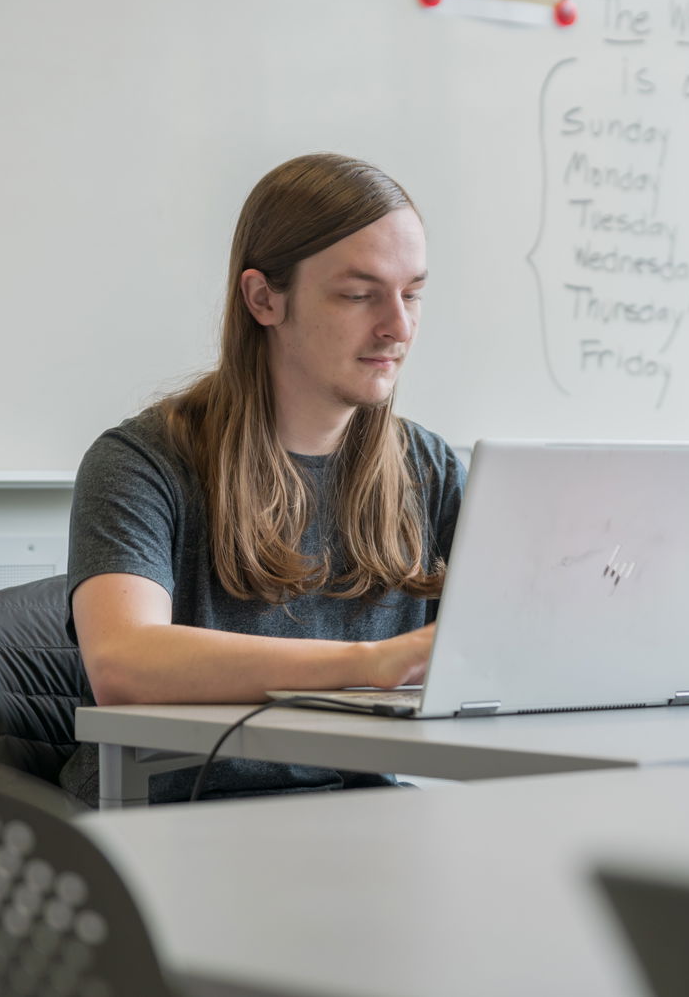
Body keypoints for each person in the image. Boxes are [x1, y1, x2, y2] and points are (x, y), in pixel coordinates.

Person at [57, 152, 463, 806]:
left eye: (412, 293)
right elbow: (123, 664)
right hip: (176, 825)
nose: (399, 326)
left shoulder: (431, 471)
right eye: (359, 295)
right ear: (263, 298)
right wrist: (371, 666)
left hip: (362, 824)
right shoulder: (142, 461)